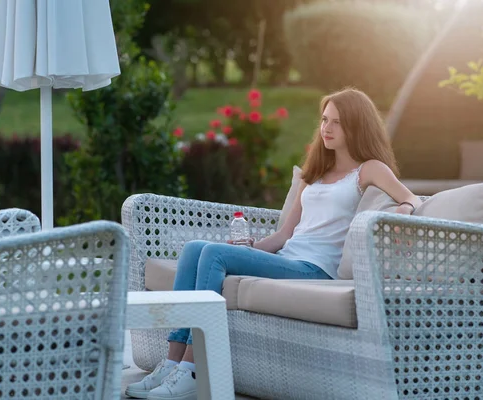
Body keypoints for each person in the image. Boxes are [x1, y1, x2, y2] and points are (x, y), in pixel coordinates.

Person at [125, 87, 422, 400]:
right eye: (324, 119)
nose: (327, 128)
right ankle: (172, 362)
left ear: (357, 126)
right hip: (289, 258)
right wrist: (250, 250)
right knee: (194, 248)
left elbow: (411, 198)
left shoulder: (369, 169)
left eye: (337, 122)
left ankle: (193, 369)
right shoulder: (315, 175)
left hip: (316, 270)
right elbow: (284, 236)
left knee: (212, 253)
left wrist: (402, 210)